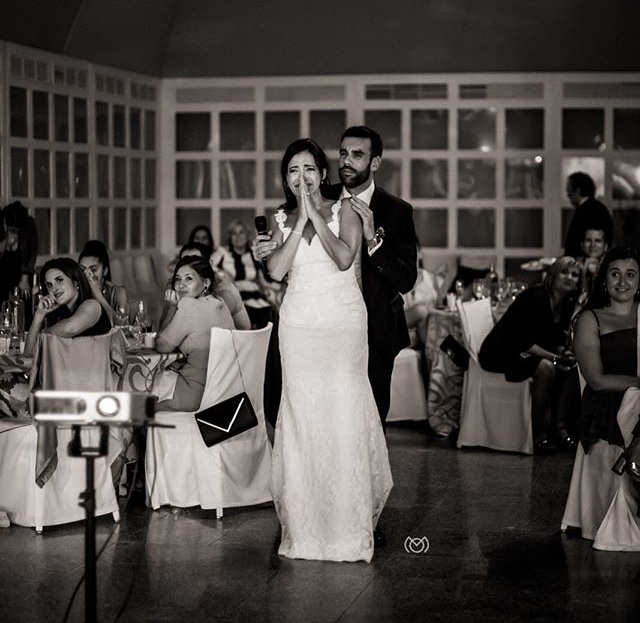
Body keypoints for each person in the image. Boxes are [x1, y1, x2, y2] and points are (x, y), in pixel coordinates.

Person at [266, 137, 392, 562]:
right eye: (292, 170)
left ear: (322, 174)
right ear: (286, 178)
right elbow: (276, 270)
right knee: (303, 418)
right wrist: (298, 219)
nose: (300, 177)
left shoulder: (348, 210)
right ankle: (305, 529)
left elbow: (342, 258)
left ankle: (347, 528)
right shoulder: (280, 218)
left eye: (308, 169)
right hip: (298, 325)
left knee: (341, 415)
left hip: (341, 324)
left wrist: (315, 216)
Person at [254, 126, 418, 428]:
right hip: (304, 321)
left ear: (375, 162)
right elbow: (280, 263)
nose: (347, 161)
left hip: (370, 321)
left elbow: (406, 279)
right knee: (308, 410)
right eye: (343, 153)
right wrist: (263, 253)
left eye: (357, 155)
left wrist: (373, 241)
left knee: (362, 417)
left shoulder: (396, 211)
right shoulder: (315, 195)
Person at [478, 256, 582, 453]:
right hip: (501, 352)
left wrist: (565, 353)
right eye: (564, 272)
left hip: (526, 352)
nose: (569, 277)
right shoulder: (535, 297)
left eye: (575, 275)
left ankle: (560, 428)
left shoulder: (566, 303)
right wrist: (555, 358)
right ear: (552, 275)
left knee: (572, 366)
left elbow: (555, 338)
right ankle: (538, 434)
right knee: (546, 368)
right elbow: (524, 342)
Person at [573, 247, 640, 455]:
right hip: (608, 402)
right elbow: (596, 381)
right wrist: (638, 383)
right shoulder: (589, 319)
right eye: (615, 274)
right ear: (604, 279)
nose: (622, 282)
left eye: (630, 274)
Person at [155, 256, 234, 412]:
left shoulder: (188, 306)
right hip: (225, 393)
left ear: (206, 283)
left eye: (189, 278)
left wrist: (171, 307)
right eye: (178, 279)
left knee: (141, 389)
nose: (181, 285)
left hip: (194, 395)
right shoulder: (220, 302)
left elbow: (162, 346)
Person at [24, 257, 112, 357]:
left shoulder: (91, 305)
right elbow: (29, 353)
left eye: (59, 280)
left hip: (93, 367)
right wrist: (39, 314)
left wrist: (41, 337)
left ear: (76, 282)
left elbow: (70, 328)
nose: (54, 289)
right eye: (49, 285)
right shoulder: (63, 314)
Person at [212, 219, 275, 328]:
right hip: (234, 296)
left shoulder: (254, 254)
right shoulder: (222, 252)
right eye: (234, 233)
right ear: (230, 237)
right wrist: (222, 273)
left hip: (255, 296)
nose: (238, 236)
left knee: (268, 314)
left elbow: (265, 275)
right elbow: (208, 265)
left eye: (241, 232)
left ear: (248, 235)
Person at [176, 241, 251, 330]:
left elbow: (201, 326)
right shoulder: (184, 284)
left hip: (236, 338)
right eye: (184, 263)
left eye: (196, 262)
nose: (189, 268)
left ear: (210, 264)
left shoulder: (223, 291)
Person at [564, 172, 613, 258]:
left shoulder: (587, 209)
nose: (568, 196)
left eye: (569, 192)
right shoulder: (595, 207)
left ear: (577, 191)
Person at [78, 239, 128, 322]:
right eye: (82, 270)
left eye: (93, 270)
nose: (87, 275)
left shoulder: (118, 292)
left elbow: (123, 324)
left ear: (105, 271)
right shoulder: (76, 293)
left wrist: (99, 296)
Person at [0, 201, 38, 304]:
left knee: (23, 300)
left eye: (17, 230)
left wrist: (25, 277)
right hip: (2, 271)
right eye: (11, 229)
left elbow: (32, 252)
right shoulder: (2, 224)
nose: (14, 232)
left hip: (21, 272)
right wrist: (6, 242)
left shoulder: (29, 224)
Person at [576, 227, 609, 306]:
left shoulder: (611, 268)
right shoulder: (574, 265)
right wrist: (583, 273)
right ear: (582, 244)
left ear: (605, 246)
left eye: (598, 241)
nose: (593, 245)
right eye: (588, 240)